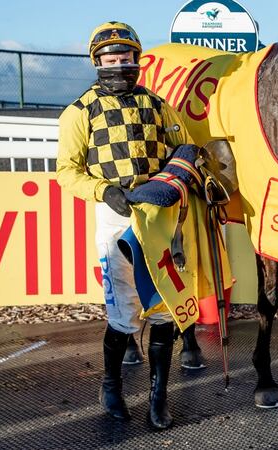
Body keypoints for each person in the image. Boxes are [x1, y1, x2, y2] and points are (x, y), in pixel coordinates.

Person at [56, 21, 195, 430]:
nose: (120, 66)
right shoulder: (80, 111)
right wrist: (102, 190)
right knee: (124, 314)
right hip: (115, 218)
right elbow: (66, 171)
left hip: (161, 219)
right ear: (97, 62)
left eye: (127, 59)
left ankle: (158, 397)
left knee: (164, 309)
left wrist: (176, 182)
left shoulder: (158, 104)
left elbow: (182, 149)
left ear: (137, 59)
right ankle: (111, 385)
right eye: (112, 60)